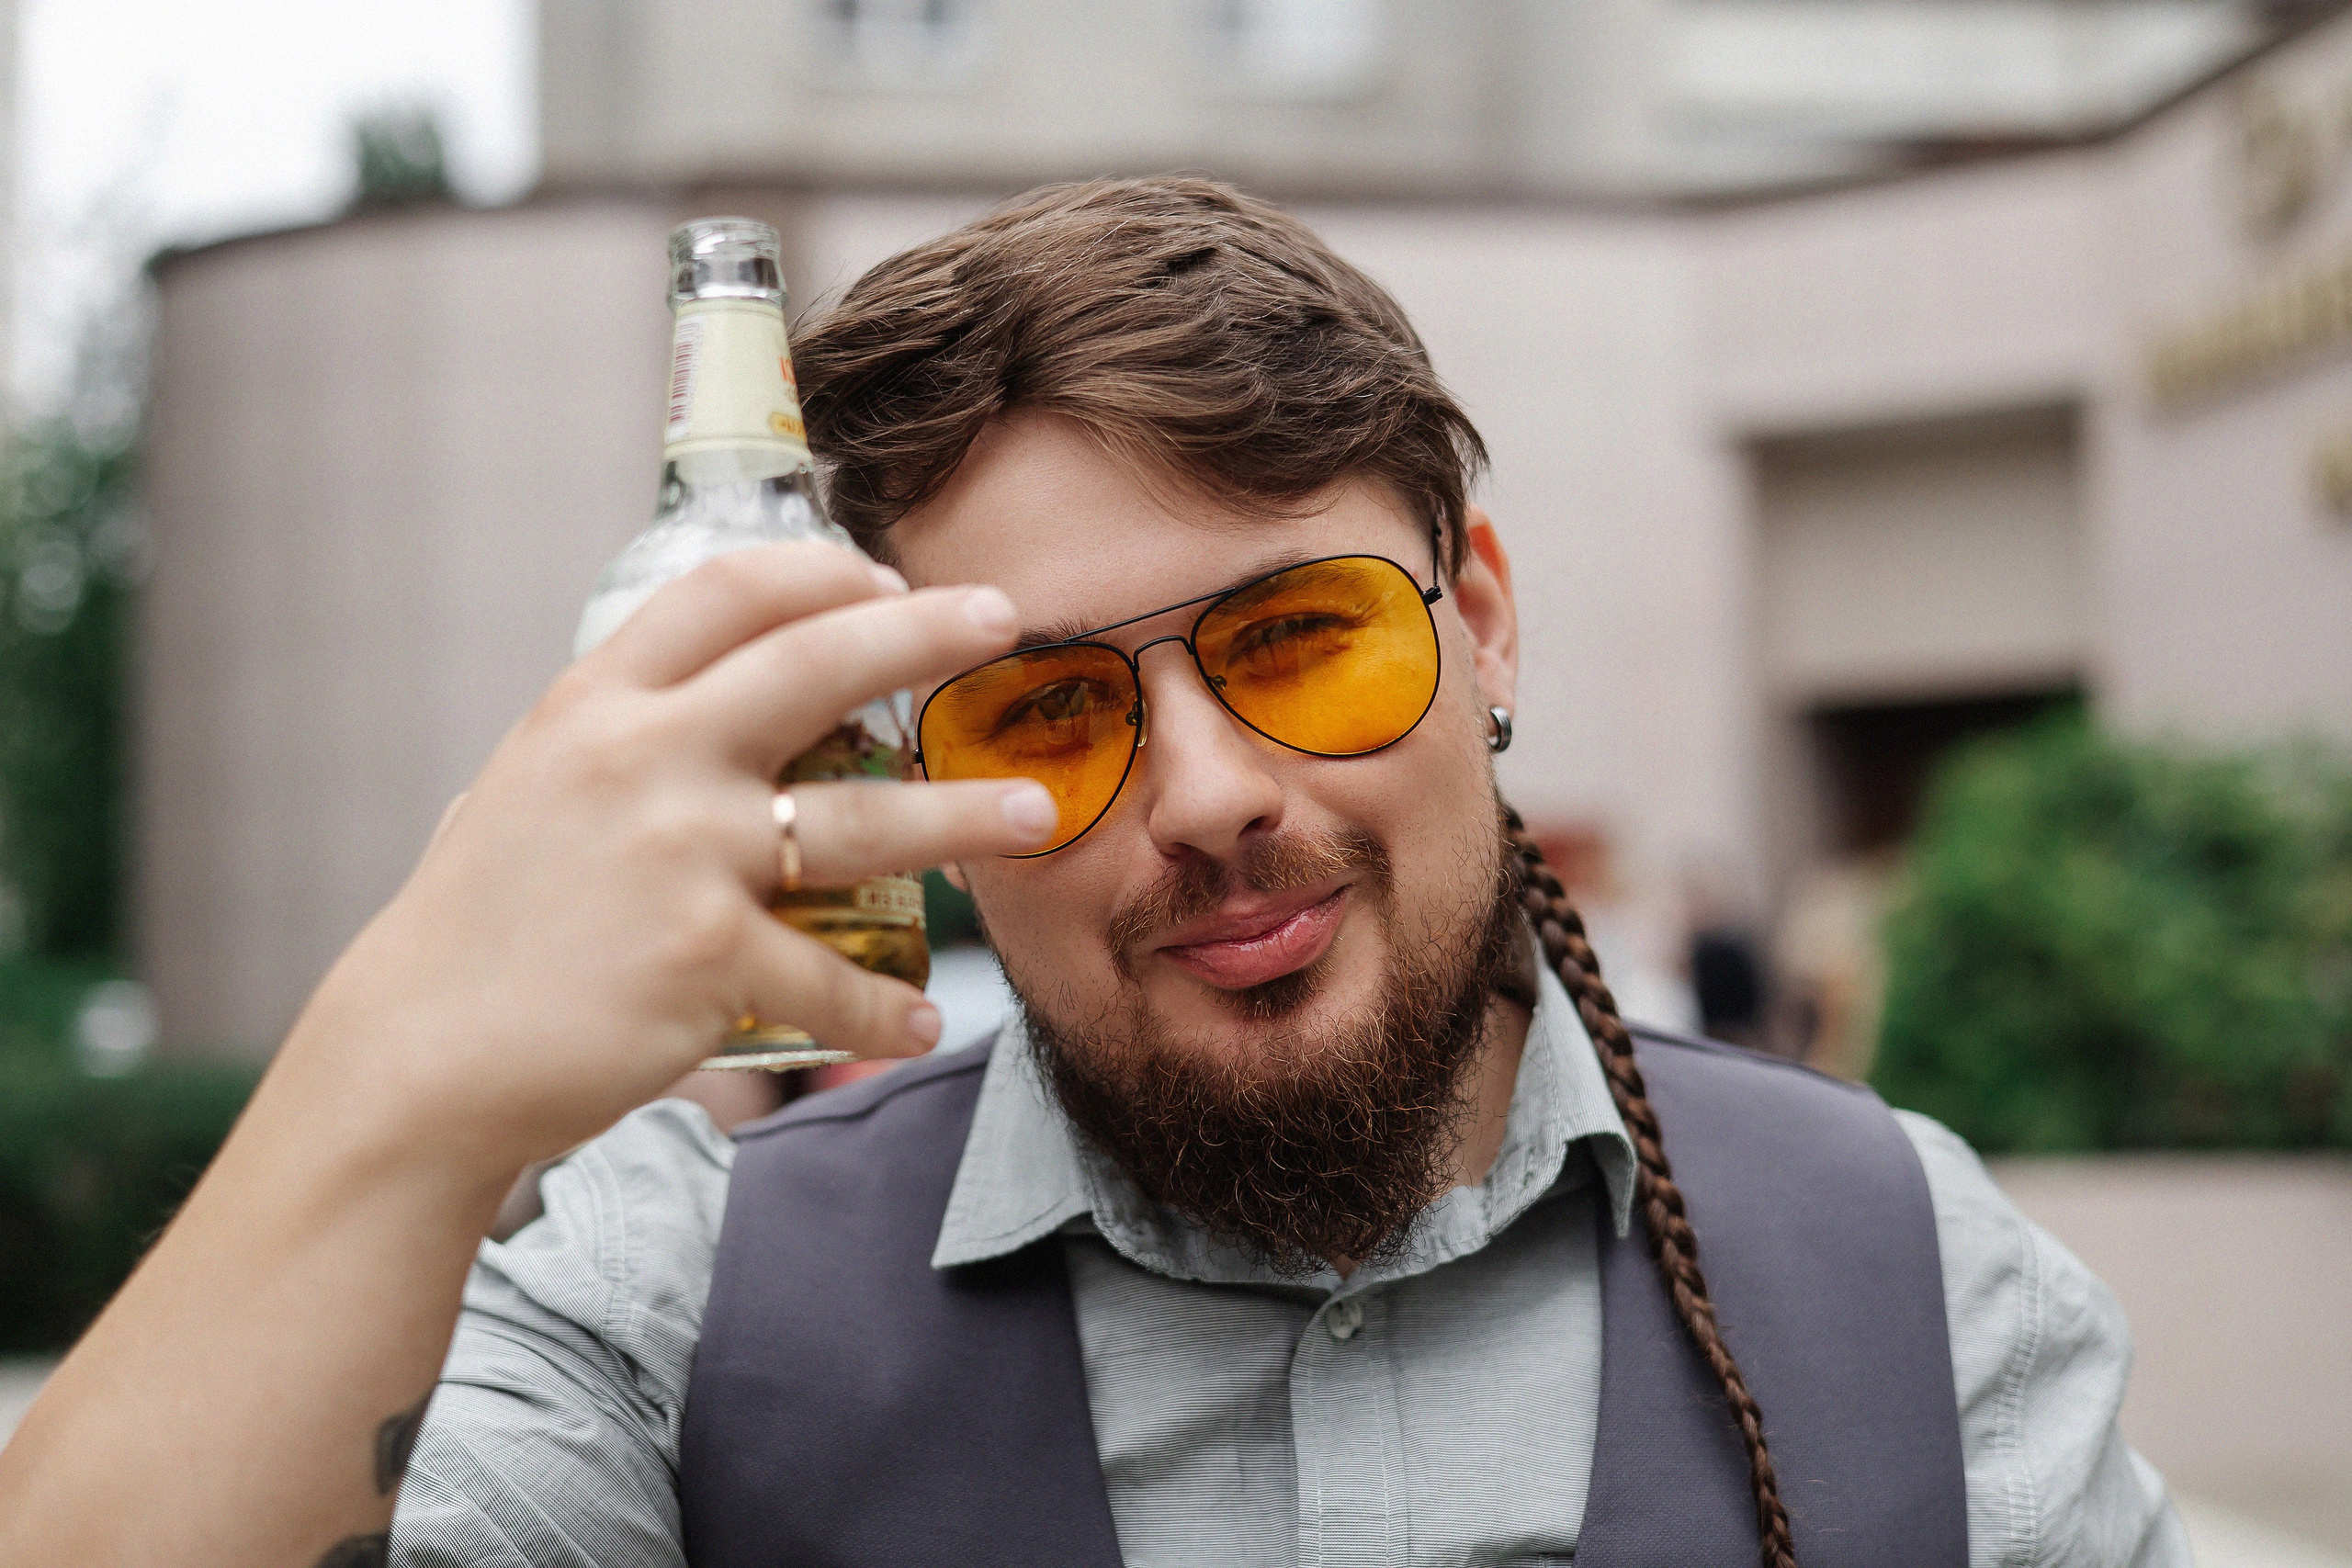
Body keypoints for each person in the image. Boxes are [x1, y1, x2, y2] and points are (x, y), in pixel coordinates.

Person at [0, 178, 2185, 1568]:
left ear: (1481, 620)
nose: (1215, 789)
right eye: (1048, 707)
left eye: (1299, 637)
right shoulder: (669, 1311)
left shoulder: (1916, 1276)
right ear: (894, 767)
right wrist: (413, 1047)